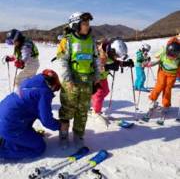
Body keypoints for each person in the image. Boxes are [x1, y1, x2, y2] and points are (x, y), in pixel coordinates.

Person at [56, 12, 100, 147]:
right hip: (71, 82)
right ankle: (63, 135)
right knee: (67, 110)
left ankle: (78, 135)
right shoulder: (67, 41)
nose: (87, 26)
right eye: (84, 24)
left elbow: (96, 60)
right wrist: (68, 80)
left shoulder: (91, 40)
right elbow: (63, 62)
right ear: (75, 25)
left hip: (86, 82)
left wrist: (97, 77)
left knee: (82, 111)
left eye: (88, 24)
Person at [0, 69, 61, 160]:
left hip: (5, 118)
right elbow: (46, 121)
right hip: (10, 126)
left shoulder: (29, 82)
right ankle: (3, 152)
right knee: (39, 147)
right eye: (55, 88)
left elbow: (34, 111)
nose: (54, 91)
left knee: (27, 115)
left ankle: (6, 138)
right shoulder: (44, 93)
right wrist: (60, 125)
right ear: (52, 85)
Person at [91, 38, 134, 114]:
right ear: (112, 50)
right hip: (95, 78)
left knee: (106, 91)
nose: (116, 57)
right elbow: (100, 67)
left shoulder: (110, 53)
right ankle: (96, 112)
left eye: (117, 55)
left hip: (103, 77)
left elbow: (116, 62)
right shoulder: (100, 53)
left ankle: (93, 99)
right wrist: (108, 67)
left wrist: (127, 63)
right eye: (116, 55)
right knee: (99, 94)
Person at [145, 37, 180, 112]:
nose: (171, 58)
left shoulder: (178, 58)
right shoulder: (163, 53)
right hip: (162, 72)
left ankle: (166, 105)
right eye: (169, 57)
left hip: (172, 75)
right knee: (160, 85)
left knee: (167, 89)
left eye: (173, 58)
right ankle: (152, 100)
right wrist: (149, 64)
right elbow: (157, 60)